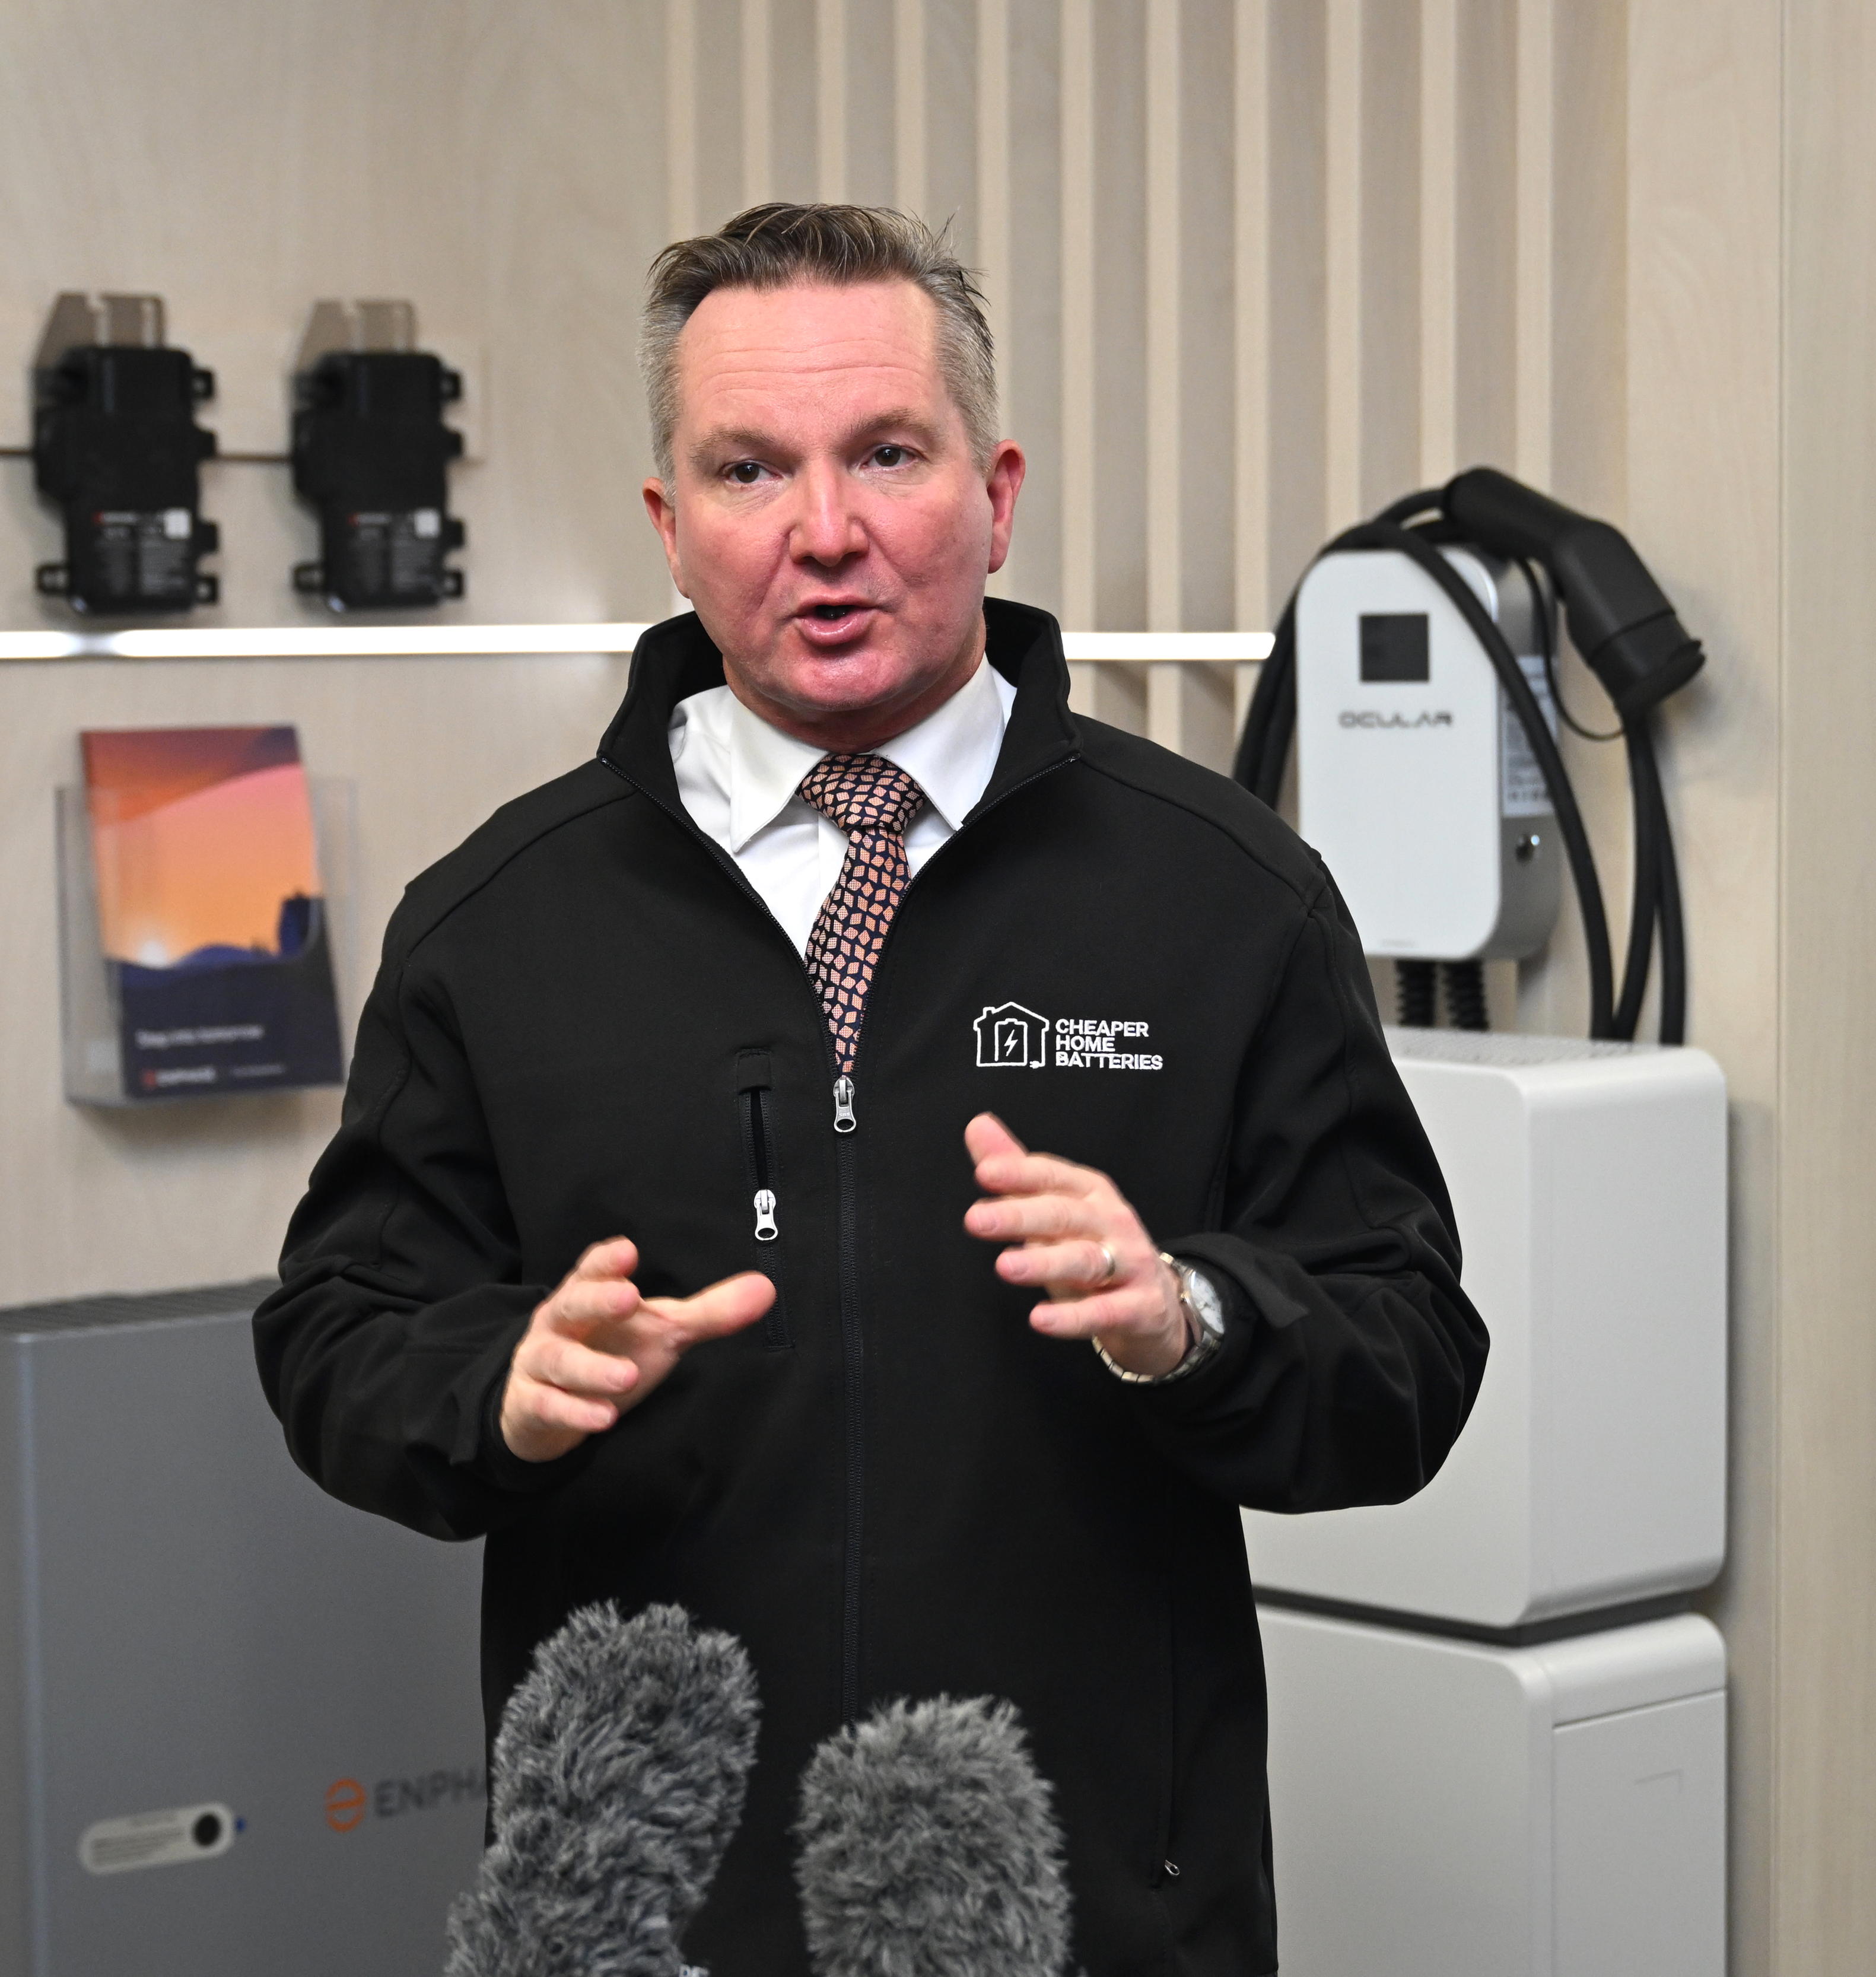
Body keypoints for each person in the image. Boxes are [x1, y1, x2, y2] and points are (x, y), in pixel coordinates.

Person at [255, 203, 1484, 1977]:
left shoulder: (1219, 895)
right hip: (645, 1923)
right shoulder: (498, 926)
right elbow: (334, 1338)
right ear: (673, 528)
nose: (823, 533)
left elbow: (1413, 1352)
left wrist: (1194, 1316)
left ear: (994, 493)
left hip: (1086, 1917)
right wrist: (496, 1387)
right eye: (750, 470)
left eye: (884, 456)